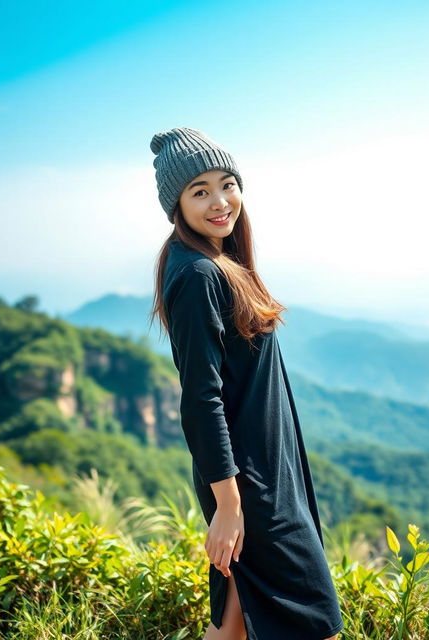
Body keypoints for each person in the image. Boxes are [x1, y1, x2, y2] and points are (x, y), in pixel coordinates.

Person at [150, 127, 344, 640]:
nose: (220, 202)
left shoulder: (216, 262)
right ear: (177, 204)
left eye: (227, 183)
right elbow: (199, 399)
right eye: (199, 191)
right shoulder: (197, 275)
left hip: (261, 474)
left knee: (234, 621)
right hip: (250, 485)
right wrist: (230, 507)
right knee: (315, 622)